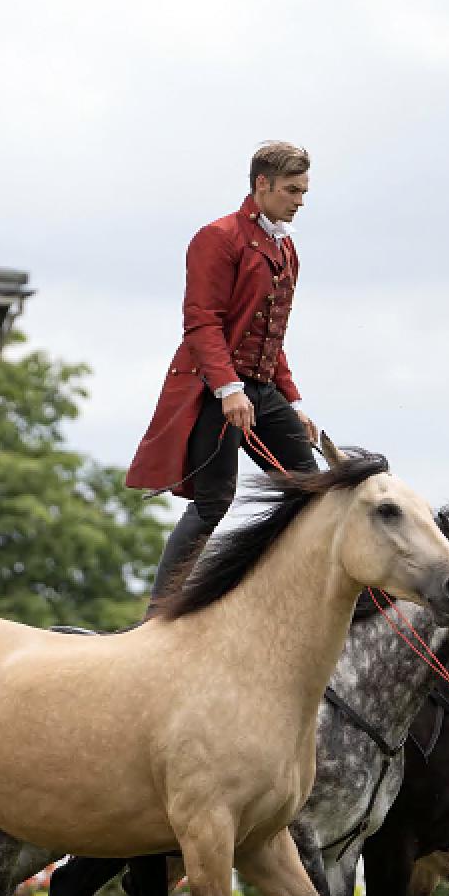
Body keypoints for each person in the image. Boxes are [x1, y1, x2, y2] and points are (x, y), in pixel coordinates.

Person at [126, 141, 323, 603]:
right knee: (214, 502)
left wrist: (292, 404)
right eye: (292, 190)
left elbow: (272, 338)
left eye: (304, 192)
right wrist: (228, 389)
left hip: (262, 387)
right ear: (262, 185)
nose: (299, 201)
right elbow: (201, 322)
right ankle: (159, 612)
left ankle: (283, 598)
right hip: (216, 388)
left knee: (311, 494)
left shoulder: (286, 248)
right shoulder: (218, 237)